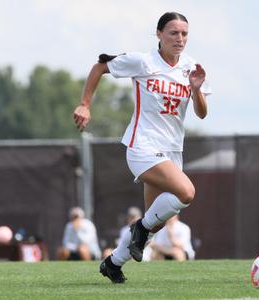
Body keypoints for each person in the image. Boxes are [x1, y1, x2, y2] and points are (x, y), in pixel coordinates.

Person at [73, 12, 211, 283]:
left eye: (184, 33)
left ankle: (113, 263)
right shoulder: (143, 61)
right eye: (173, 32)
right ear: (159, 34)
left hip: (172, 151)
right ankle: (140, 228)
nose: (180, 38)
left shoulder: (192, 68)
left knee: (152, 226)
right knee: (186, 193)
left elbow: (202, 113)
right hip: (143, 146)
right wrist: (85, 104)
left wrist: (196, 89)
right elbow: (100, 67)